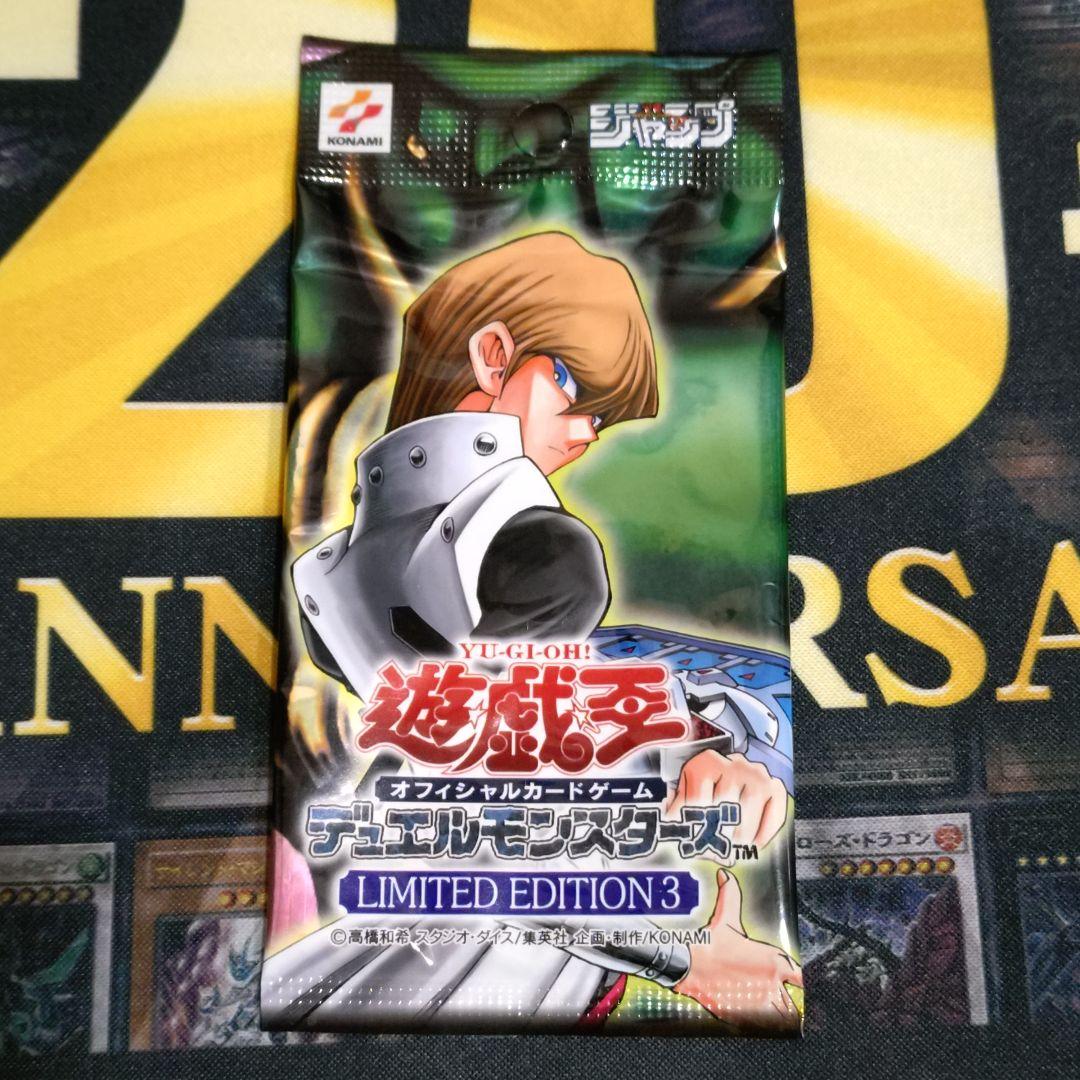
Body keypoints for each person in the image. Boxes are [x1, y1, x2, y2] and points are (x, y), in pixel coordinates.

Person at [286, 232, 800, 1029]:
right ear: (493, 354)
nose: (587, 432)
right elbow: (486, 814)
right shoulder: (546, 551)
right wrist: (689, 958)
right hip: (466, 971)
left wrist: (713, 747)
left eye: (601, 418)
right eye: (578, 394)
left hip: (395, 963)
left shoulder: (335, 576)